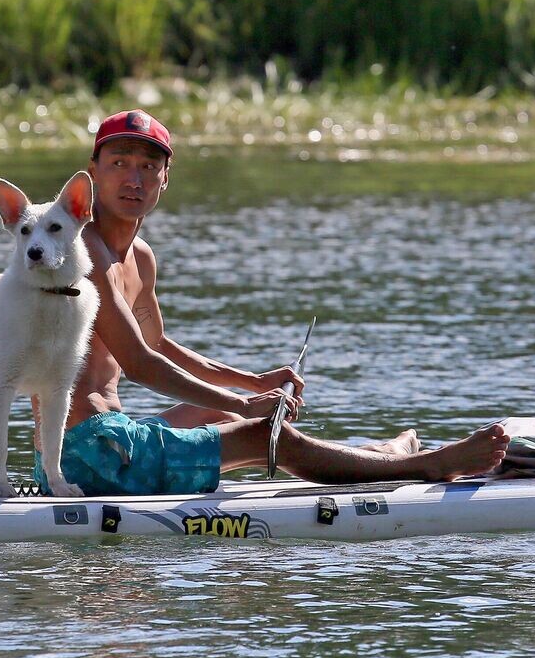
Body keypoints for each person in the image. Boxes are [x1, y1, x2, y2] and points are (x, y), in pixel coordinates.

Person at [32, 109, 508, 495]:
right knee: (260, 433)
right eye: (119, 163)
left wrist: (253, 383)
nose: (134, 179)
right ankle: (424, 466)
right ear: (93, 173)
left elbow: (156, 343)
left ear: (165, 178)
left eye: (148, 166)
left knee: (220, 414)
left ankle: (375, 457)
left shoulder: (140, 257)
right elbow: (139, 363)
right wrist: (246, 405)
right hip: (86, 458)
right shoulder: (80, 250)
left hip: (113, 440)